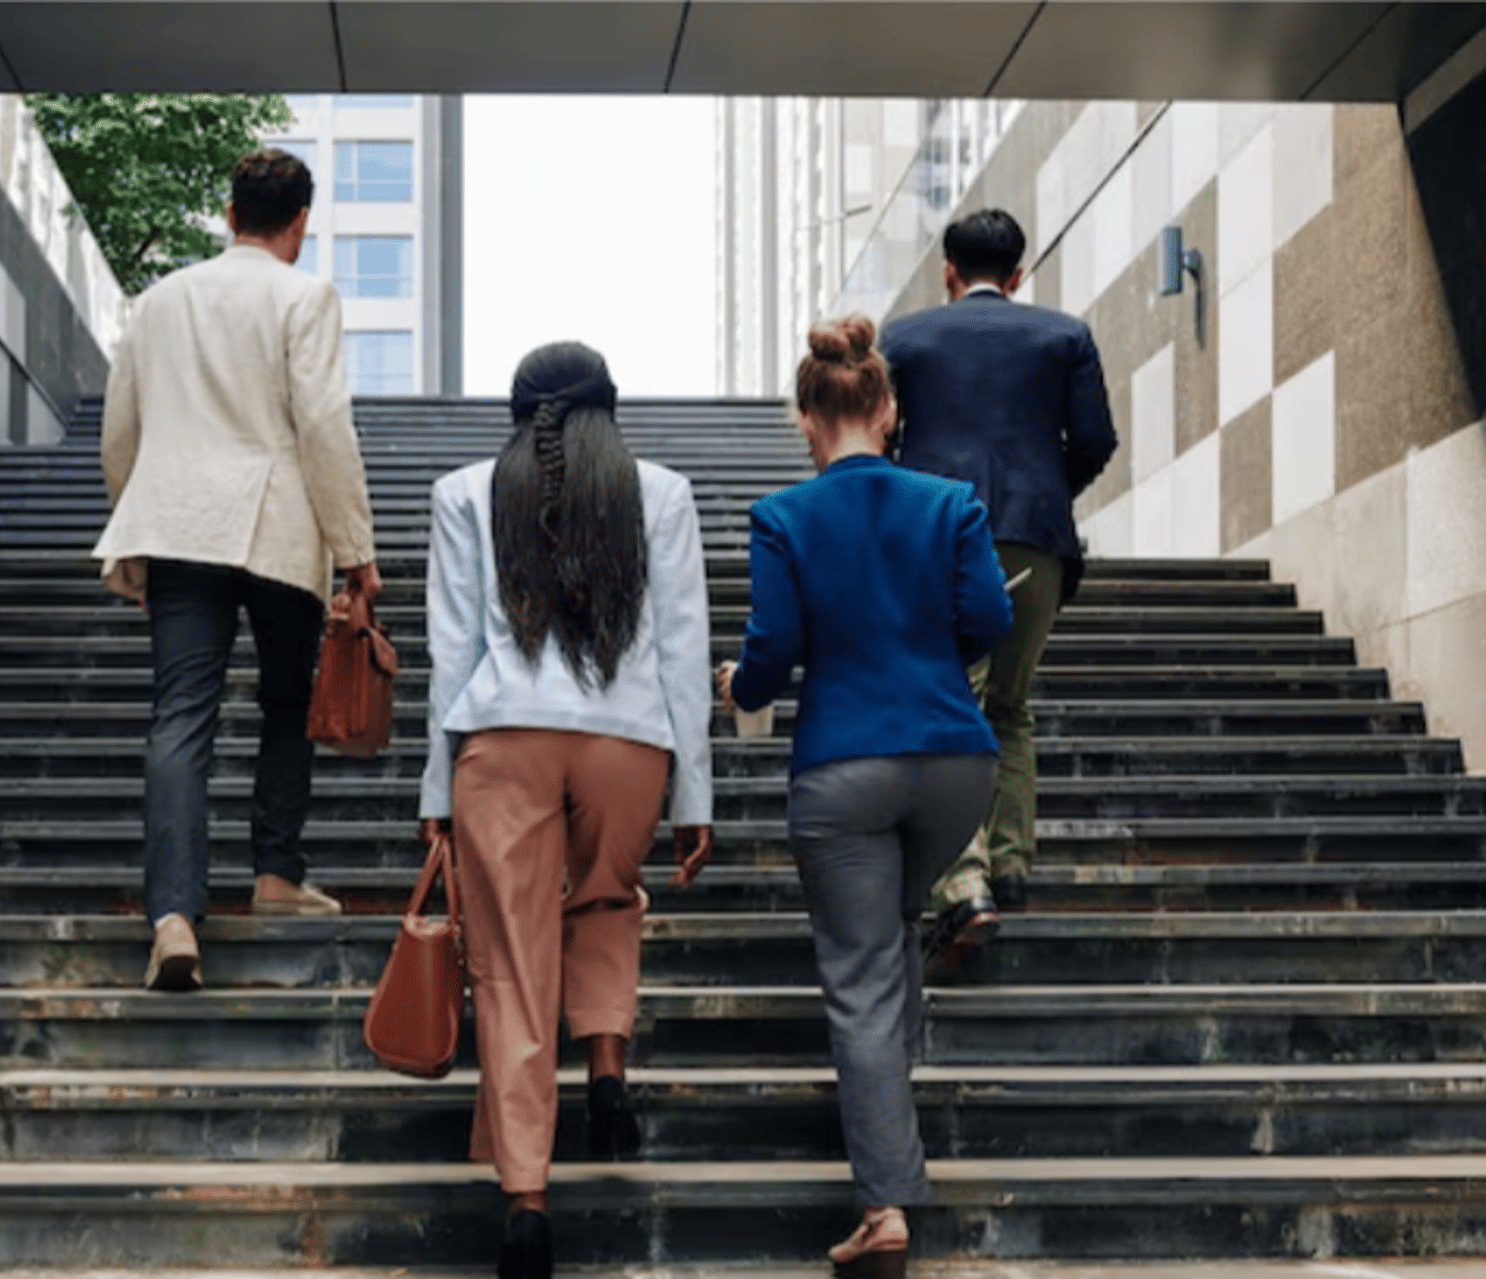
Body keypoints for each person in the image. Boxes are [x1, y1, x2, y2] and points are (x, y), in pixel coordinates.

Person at [719, 316, 1012, 1279]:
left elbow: (768, 659)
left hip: (842, 766)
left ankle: (884, 1204)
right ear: (888, 410)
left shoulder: (784, 517)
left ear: (806, 418)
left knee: (858, 977)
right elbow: (990, 621)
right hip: (955, 766)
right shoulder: (951, 502)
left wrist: (736, 688)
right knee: (889, 927)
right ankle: (892, 1092)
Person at [420, 342, 715, 1279]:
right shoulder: (660, 493)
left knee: (509, 963)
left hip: (503, 736)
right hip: (628, 740)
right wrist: (694, 792)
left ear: (516, 413)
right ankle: (610, 1070)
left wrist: (437, 789)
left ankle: (527, 1199)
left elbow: (453, 649)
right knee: (606, 896)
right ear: (610, 408)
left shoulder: (463, 492)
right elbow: (682, 644)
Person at [94, 148, 381, 992]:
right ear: (299, 224)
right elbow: (324, 426)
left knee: (180, 716)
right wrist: (356, 551)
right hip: (277, 526)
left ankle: (175, 914)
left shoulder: (159, 302)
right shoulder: (305, 296)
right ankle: (275, 875)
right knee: (290, 701)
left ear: (228, 213)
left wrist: (138, 528)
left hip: (179, 524)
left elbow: (122, 431)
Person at [878, 208, 1118, 980]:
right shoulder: (1064, 335)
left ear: (949, 272)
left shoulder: (906, 339)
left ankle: (965, 881)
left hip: (936, 533)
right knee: (1009, 704)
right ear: (1018, 275)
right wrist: (1045, 492)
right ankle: (1010, 866)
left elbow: (876, 439)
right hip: (1033, 535)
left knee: (948, 702)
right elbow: (1096, 441)